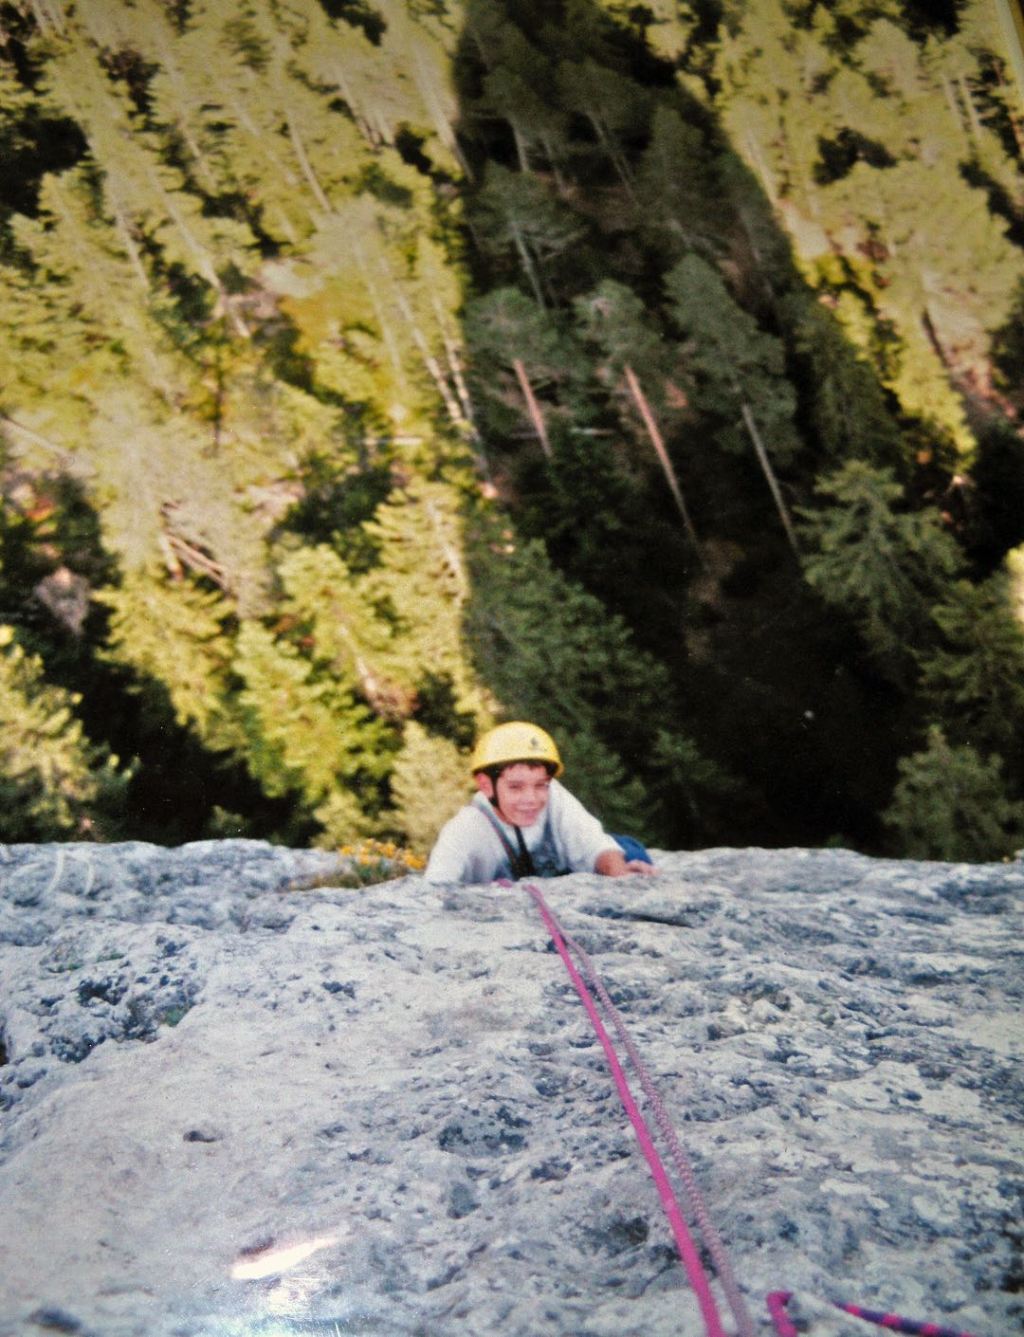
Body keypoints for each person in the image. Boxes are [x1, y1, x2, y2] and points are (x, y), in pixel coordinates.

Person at [423, 721, 657, 884]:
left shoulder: (555, 795)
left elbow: (593, 842)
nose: (532, 799)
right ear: (486, 785)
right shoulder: (463, 831)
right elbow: (436, 886)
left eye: (540, 785)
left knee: (628, 850)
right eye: (515, 787)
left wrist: (620, 874)